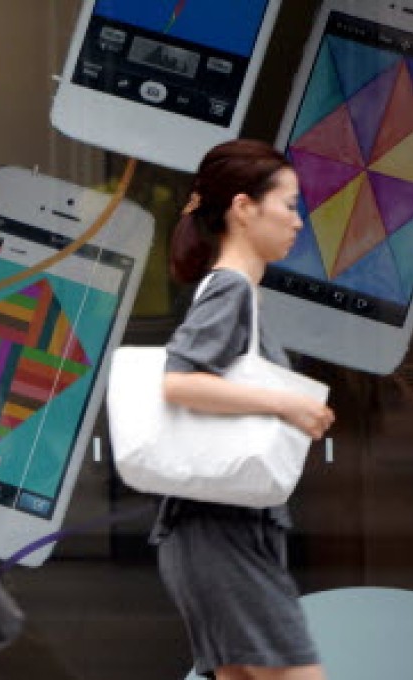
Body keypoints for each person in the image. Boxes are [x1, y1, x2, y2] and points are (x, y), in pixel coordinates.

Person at [152, 139, 335, 680]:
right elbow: (178, 381)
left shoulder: (233, 291)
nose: (297, 222)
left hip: (219, 531)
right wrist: (286, 404)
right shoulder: (229, 290)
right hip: (222, 534)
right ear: (243, 208)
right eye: (288, 205)